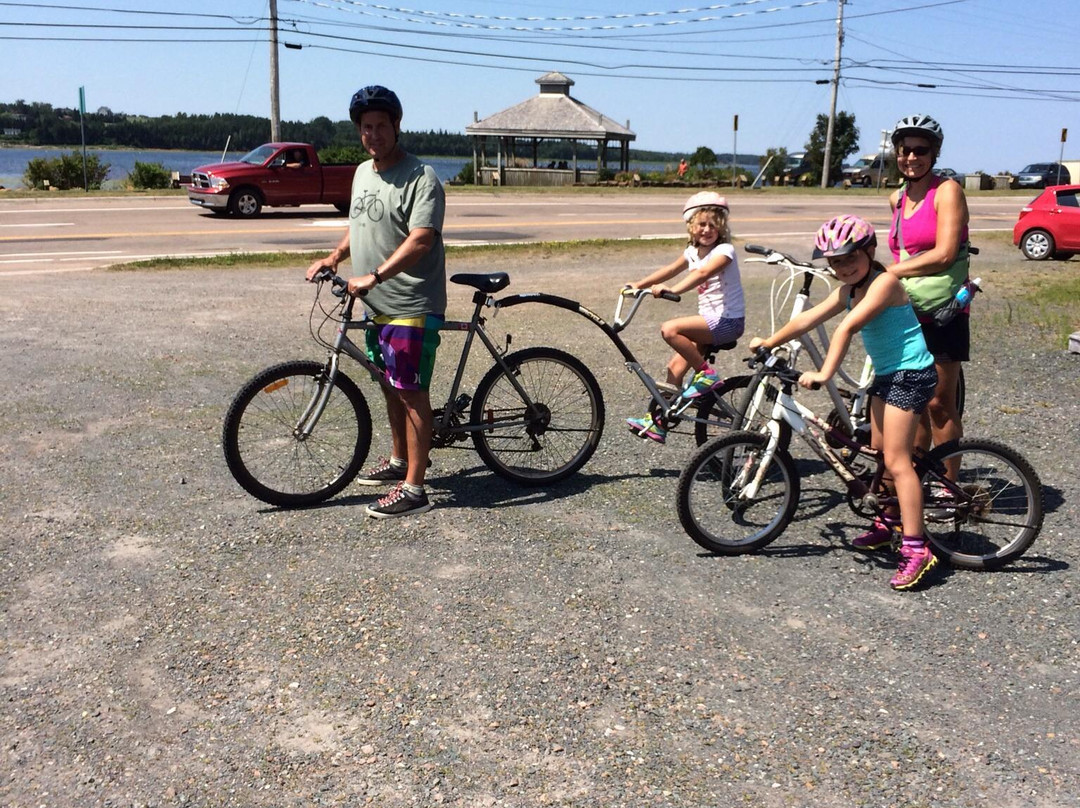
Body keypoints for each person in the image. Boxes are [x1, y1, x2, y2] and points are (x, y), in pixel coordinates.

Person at [748, 215, 939, 591]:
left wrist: (823, 374)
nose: (843, 267)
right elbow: (808, 318)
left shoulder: (884, 283)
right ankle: (888, 522)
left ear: (870, 251)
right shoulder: (849, 289)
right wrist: (770, 341)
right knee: (881, 454)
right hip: (887, 376)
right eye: (834, 262)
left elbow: (847, 328)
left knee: (898, 462)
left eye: (849, 258)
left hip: (911, 374)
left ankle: (918, 549)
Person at [305, 85, 446, 519]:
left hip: (410, 303)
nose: (373, 134)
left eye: (381, 126)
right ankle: (400, 461)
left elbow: (421, 240)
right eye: (366, 128)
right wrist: (333, 257)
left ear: (396, 126)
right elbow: (359, 224)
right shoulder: (363, 173)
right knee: (389, 386)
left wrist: (376, 275)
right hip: (374, 303)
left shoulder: (422, 176)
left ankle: (415, 490)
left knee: (411, 391)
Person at [624, 192, 745, 444]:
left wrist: (673, 290)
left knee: (670, 329)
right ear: (691, 226)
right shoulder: (692, 251)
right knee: (674, 370)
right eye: (702, 224)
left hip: (728, 322)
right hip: (710, 323)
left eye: (714, 224)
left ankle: (706, 374)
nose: (708, 229)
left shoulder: (725, 250)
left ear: (721, 227)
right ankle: (659, 423)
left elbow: (703, 273)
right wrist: (639, 284)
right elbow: (669, 269)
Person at [885, 114, 971, 465]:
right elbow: (901, 249)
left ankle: (950, 486)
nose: (911, 157)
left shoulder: (947, 191)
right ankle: (919, 473)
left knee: (938, 403)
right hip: (907, 310)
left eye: (920, 150)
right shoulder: (897, 198)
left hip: (943, 310)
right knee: (913, 400)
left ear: (934, 153)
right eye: (905, 150)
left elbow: (945, 253)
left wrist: (888, 272)